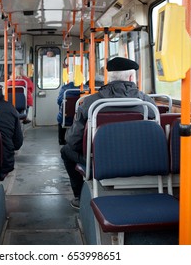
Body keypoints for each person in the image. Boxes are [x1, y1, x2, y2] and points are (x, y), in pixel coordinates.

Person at [60, 57, 157, 209]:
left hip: (99, 160)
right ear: (132, 77)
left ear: (110, 77)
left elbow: (73, 140)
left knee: (66, 151)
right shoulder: (146, 103)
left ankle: (80, 196)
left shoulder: (90, 102)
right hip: (139, 159)